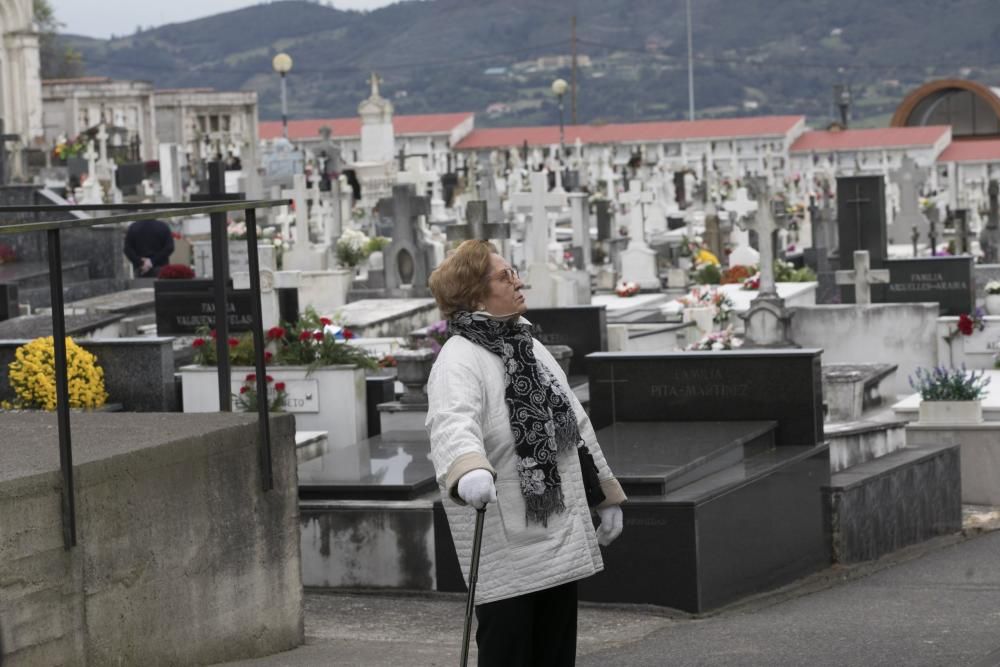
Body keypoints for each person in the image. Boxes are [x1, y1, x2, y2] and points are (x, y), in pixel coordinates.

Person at [426, 240, 626, 666]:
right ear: (474, 294)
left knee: (554, 654)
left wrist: (604, 495)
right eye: (504, 276)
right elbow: (452, 422)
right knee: (509, 653)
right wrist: (468, 468)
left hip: (558, 534)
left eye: (514, 272)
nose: (517, 282)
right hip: (508, 539)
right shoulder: (458, 359)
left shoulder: (527, 345)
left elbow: (575, 425)